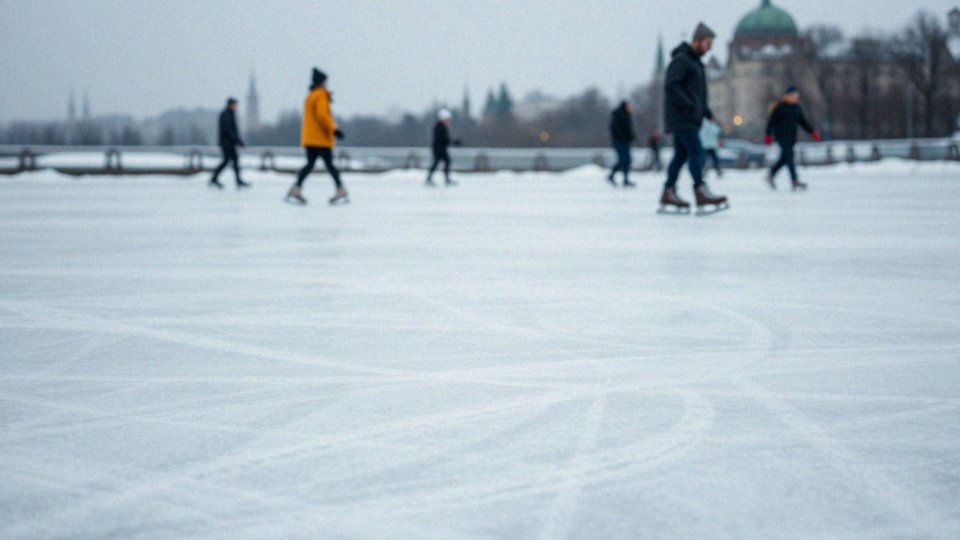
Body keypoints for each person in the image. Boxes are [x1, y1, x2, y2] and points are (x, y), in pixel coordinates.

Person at [659, 22, 727, 214]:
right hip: (682, 117)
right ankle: (700, 191)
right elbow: (672, 85)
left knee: (681, 155)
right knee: (697, 152)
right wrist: (689, 106)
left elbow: (696, 93)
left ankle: (668, 191)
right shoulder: (682, 60)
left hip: (689, 116)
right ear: (697, 41)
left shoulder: (696, 63)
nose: (709, 48)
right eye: (707, 43)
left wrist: (706, 111)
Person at [287, 68, 347, 205]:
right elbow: (322, 115)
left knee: (309, 164)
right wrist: (334, 129)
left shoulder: (310, 96)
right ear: (322, 82)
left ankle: (296, 188)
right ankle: (340, 189)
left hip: (310, 137)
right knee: (330, 165)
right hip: (320, 138)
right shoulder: (320, 95)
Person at [764, 86, 821, 191]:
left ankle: (771, 174)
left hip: (791, 137)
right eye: (794, 96)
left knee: (784, 158)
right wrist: (768, 135)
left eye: (797, 96)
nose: (796, 98)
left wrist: (812, 132)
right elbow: (771, 122)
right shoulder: (780, 107)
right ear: (787, 96)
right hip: (781, 136)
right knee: (789, 157)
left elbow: (803, 122)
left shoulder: (797, 108)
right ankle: (795, 180)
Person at [209, 98, 249, 189]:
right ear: (230, 105)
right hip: (227, 143)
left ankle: (215, 178)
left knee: (229, 160)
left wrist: (236, 140)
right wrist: (237, 140)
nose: (236, 107)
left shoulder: (229, 114)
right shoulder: (226, 115)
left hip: (228, 142)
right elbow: (228, 130)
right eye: (234, 105)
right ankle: (236, 180)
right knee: (230, 160)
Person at [426, 108, 461, 186]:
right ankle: (433, 179)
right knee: (439, 162)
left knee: (443, 162)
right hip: (438, 149)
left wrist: (452, 142)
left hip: (440, 148)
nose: (448, 121)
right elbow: (443, 139)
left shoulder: (441, 126)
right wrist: (453, 142)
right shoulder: (439, 127)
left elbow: (445, 139)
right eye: (447, 119)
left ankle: (434, 178)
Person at [607, 101, 636, 187]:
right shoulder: (618, 115)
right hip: (619, 141)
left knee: (627, 160)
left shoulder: (627, 115)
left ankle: (625, 179)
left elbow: (628, 128)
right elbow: (615, 129)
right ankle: (612, 175)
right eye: (629, 106)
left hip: (626, 141)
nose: (630, 107)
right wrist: (622, 136)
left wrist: (631, 137)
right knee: (623, 160)